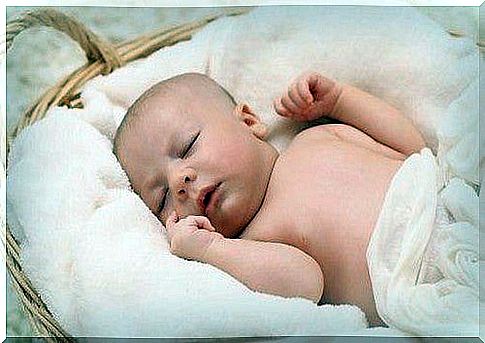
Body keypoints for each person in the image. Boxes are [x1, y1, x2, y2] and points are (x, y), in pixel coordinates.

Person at [113, 72, 426, 326]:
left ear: (249, 121)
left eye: (187, 146)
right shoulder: (252, 245)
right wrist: (209, 249)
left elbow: (411, 149)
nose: (178, 181)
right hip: (426, 287)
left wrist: (341, 100)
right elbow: (305, 284)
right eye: (162, 198)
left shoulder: (315, 137)